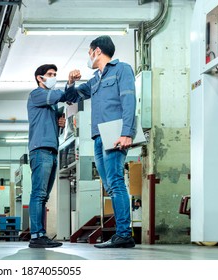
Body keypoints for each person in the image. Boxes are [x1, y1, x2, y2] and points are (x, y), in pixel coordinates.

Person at [66, 35, 137, 248]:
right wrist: (71, 82)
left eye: (89, 52)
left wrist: (127, 133)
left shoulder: (121, 69)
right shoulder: (95, 80)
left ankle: (124, 234)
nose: (88, 57)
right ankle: (121, 233)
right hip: (98, 136)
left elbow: (129, 99)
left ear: (97, 51)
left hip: (115, 133)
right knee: (109, 185)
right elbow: (72, 98)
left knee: (115, 182)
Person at [27, 64, 73, 248]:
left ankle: (40, 234)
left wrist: (59, 123)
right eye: (50, 74)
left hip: (52, 150)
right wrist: (69, 84)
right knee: (38, 194)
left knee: (43, 196)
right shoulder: (36, 94)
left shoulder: (51, 105)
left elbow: (54, 123)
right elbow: (58, 95)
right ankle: (36, 236)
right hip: (40, 150)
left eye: (55, 74)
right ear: (40, 78)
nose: (53, 77)